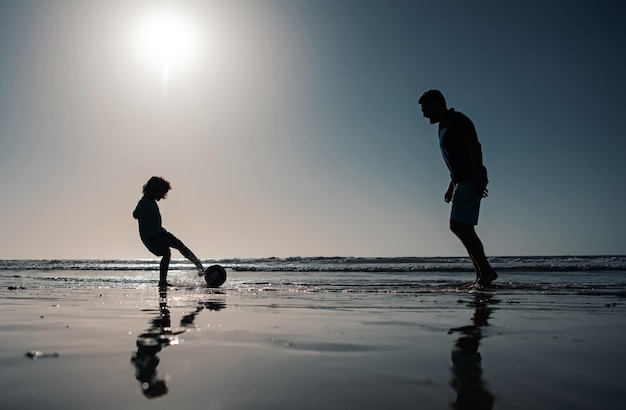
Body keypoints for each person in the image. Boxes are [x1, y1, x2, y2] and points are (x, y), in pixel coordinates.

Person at [418, 90, 498, 287]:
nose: (424, 114)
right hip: (461, 179)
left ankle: (486, 272)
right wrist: (450, 185)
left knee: (458, 226)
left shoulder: (457, 120)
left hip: (470, 178)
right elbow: (455, 159)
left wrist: (478, 178)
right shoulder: (442, 127)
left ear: (437, 103)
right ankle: (482, 275)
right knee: (464, 227)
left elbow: (474, 147)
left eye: (425, 108)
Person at [133, 176, 204, 289]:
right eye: (161, 193)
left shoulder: (151, 201)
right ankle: (162, 281)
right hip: (150, 237)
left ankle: (200, 268)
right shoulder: (144, 202)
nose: (163, 196)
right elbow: (135, 213)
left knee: (180, 245)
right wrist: (138, 214)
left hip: (160, 232)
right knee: (166, 253)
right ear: (154, 190)